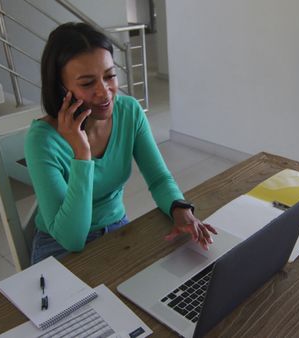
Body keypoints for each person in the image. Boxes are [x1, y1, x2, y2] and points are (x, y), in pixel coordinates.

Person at [25, 22, 216, 264]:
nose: (104, 93)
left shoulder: (129, 112)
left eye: (110, 76)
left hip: (117, 230)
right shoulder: (41, 141)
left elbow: (158, 179)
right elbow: (72, 238)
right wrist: (81, 155)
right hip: (59, 245)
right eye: (87, 83)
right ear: (61, 88)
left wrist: (180, 209)